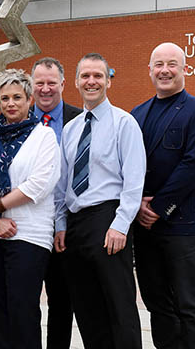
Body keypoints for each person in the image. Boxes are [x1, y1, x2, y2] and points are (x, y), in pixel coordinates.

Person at [53, 53, 145, 349]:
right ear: (76, 83)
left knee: (119, 306)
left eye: (97, 76)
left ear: (108, 81)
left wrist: (120, 225)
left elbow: (134, 180)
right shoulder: (71, 129)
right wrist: (61, 223)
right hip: (76, 224)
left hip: (108, 221)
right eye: (85, 76)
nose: (91, 82)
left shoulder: (124, 123)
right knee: (87, 307)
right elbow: (62, 183)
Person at [131, 42, 195, 349]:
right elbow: (128, 165)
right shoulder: (137, 114)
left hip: (183, 226)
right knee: (158, 305)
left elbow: (193, 164)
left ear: (185, 69)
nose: (165, 70)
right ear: (150, 70)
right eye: (158, 64)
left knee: (188, 305)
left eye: (172, 64)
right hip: (145, 229)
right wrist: (137, 201)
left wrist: (156, 205)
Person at [0, 69, 61, 349]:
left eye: (17, 97)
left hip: (29, 234)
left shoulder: (43, 137)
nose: (11, 103)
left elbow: (39, 185)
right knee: (1, 311)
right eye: (5, 98)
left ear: (30, 99)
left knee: (23, 310)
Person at [30, 57, 81, 349]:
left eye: (52, 83)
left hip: (68, 228)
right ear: (31, 85)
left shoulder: (80, 119)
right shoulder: (17, 120)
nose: (46, 89)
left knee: (62, 303)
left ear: (63, 84)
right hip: (28, 225)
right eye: (40, 83)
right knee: (26, 301)